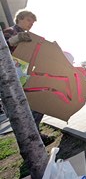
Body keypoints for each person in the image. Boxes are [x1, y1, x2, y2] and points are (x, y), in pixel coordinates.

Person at [3, 9, 54, 145]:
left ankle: (34, 133)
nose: (31, 23)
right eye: (28, 20)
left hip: (27, 74)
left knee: (40, 100)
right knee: (30, 103)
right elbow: (3, 48)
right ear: (19, 18)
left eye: (32, 22)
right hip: (12, 77)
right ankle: (33, 136)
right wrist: (16, 39)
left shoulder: (29, 36)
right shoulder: (9, 31)